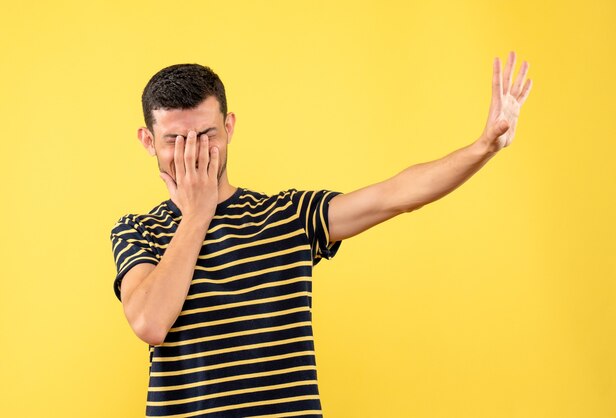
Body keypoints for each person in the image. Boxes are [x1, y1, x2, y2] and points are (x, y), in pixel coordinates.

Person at [110, 51, 532, 417]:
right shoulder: (139, 232)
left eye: (207, 135)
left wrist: (483, 148)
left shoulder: (287, 215)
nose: (194, 152)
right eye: (175, 141)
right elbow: (149, 322)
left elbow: (394, 196)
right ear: (148, 141)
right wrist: (198, 214)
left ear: (230, 127)